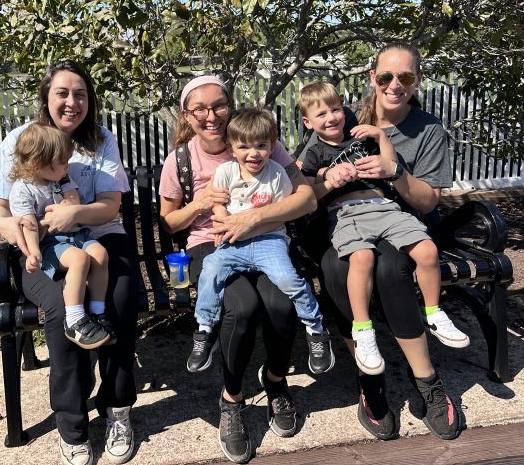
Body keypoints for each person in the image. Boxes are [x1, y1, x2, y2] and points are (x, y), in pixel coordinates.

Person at [300, 42, 465, 441]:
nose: (395, 84)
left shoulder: (426, 129)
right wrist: (324, 180)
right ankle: (369, 378)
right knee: (336, 268)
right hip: (344, 220)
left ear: (417, 80)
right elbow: (305, 177)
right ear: (373, 77)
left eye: (405, 77)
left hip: (399, 219)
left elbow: (427, 201)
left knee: (391, 270)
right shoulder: (344, 117)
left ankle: (425, 378)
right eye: (387, 76)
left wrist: (395, 171)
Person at [159, 75, 319, 464]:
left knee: (281, 304)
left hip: (265, 239)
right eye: (200, 109)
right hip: (211, 243)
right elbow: (170, 222)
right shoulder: (181, 160)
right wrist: (200, 203)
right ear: (187, 115)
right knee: (242, 308)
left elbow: (306, 198)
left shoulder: (264, 145)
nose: (211, 115)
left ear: (229, 107)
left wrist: (254, 218)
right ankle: (232, 399)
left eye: (218, 105)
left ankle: (275, 381)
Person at [0, 60, 137, 465]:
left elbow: (110, 206)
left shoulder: (101, 139)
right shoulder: (20, 140)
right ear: (46, 98)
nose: (72, 102)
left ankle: (117, 408)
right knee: (59, 309)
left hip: (98, 235)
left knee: (120, 300)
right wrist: (26, 234)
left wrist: (74, 214)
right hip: (42, 248)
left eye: (80, 94)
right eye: (63, 93)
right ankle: (72, 426)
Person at [189, 107, 333, 377]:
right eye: (244, 147)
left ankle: (315, 328)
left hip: (269, 241)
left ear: (272, 146)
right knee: (211, 268)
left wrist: (251, 225)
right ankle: (205, 329)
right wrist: (222, 218)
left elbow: (280, 216)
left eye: (261, 146)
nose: (253, 153)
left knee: (289, 279)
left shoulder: (277, 174)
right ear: (231, 148)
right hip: (233, 243)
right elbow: (218, 204)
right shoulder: (225, 172)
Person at [8, 122, 115, 349]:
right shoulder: (22, 189)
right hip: (48, 243)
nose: (68, 165)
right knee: (79, 259)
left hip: (76, 235)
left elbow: (73, 200)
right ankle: (74, 319)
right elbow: (29, 225)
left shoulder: (61, 177)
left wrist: (65, 210)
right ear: (37, 163)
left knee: (100, 254)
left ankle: (97, 312)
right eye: (63, 162)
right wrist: (33, 253)